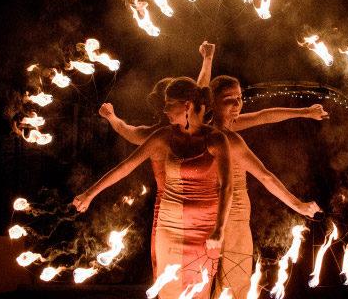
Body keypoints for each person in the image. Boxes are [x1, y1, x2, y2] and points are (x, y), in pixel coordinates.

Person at [73, 77, 233, 299]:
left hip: (205, 229)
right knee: (169, 287)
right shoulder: (164, 136)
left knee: (199, 289)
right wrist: (89, 194)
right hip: (169, 226)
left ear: (187, 105)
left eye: (169, 104)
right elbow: (126, 166)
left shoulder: (216, 139)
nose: (165, 109)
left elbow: (227, 187)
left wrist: (219, 229)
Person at [98, 41, 216, 281]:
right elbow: (125, 142)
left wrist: (111, 117)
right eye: (168, 102)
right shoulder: (156, 137)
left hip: (191, 214)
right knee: (176, 275)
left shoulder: (165, 133)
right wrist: (207, 59)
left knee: (184, 274)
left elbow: (123, 129)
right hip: (173, 214)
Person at [208, 75, 323, 299]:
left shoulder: (227, 128)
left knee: (234, 279)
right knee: (205, 277)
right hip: (207, 210)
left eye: (239, 98)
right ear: (211, 102)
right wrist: (298, 205)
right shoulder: (221, 137)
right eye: (228, 99)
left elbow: (264, 115)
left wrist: (305, 112)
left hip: (236, 212)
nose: (236, 104)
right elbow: (265, 176)